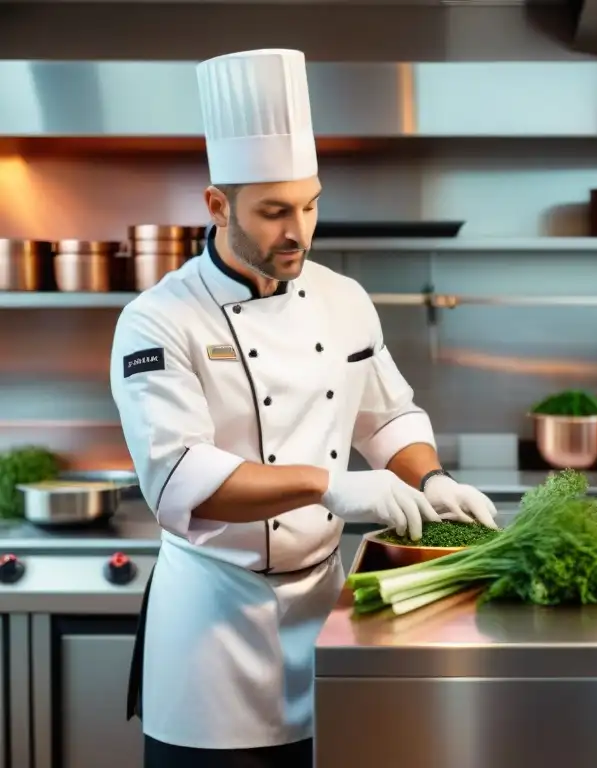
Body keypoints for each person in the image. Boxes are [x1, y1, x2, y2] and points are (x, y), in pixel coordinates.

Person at [109, 48, 498, 768]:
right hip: (211, 632)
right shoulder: (158, 321)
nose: (299, 231)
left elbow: (386, 417)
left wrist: (430, 479)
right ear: (218, 206)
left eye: (311, 204)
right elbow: (180, 479)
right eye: (274, 211)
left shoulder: (343, 299)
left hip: (326, 609)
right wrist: (332, 485)